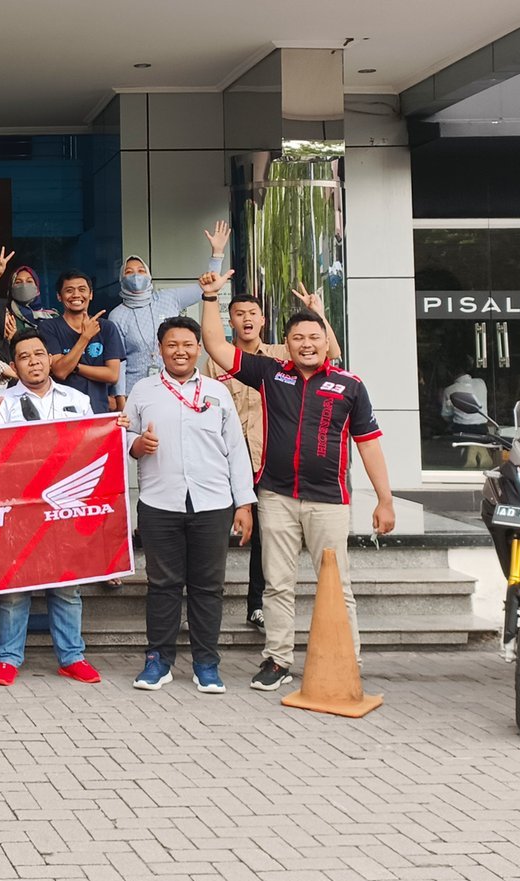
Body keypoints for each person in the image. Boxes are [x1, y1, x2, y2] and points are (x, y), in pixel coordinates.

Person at [199, 270, 396, 691]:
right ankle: (277, 659)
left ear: (327, 341)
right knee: (277, 584)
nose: (307, 344)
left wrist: (385, 499)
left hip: (329, 501)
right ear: (286, 344)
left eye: (314, 337)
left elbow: (369, 445)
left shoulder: (349, 386)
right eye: (299, 338)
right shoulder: (271, 373)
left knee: (337, 586)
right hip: (276, 497)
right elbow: (215, 345)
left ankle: (346, 661)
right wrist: (211, 297)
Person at [124, 317, 255, 695]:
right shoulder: (143, 391)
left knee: (207, 587)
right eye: (171, 345)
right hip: (159, 502)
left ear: (199, 348)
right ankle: (158, 661)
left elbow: (236, 450)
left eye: (187, 345)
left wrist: (244, 503)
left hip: (212, 503)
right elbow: (124, 435)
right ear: (159, 350)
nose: (179, 351)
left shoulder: (217, 392)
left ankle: (206, 663)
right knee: (162, 585)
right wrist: (136, 445)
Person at [201, 286, 344, 631]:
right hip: (225, 460)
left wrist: (317, 313)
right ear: (231, 321)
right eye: (239, 314)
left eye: (253, 313)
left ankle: (256, 606)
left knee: (264, 540)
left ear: (263, 320)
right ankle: (205, 608)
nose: (247, 319)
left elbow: (332, 353)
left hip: (265, 460)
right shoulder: (218, 361)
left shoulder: (282, 355)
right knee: (213, 535)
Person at [0, 330, 102, 687]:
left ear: (50, 359)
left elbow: (94, 447)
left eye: (39, 354)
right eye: (24, 357)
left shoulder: (77, 399)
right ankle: (7, 658)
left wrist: (114, 430)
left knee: (67, 585)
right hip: (19, 508)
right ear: (14, 365)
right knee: (14, 587)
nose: (33, 361)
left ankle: (72, 657)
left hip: (65, 505)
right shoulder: (1, 403)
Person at [108, 223, 230, 404]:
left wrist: (217, 254)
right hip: (136, 391)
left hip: (174, 385)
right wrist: (121, 399)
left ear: (149, 275)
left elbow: (207, 286)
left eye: (141, 271)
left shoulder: (168, 298)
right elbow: (120, 361)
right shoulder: (117, 315)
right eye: (129, 272)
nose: (136, 276)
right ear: (121, 278)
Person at [39, 270, 126, 414]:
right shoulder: (48, 327)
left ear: (90, 294)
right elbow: (60, 371)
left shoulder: (106, 328)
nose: (76, 295)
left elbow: (112, 375)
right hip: (62, 412)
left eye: (82, 289)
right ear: (59, 296)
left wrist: (75, 367)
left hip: (98, 411)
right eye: (69, 290)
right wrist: (85, 337)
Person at [442, 369, 492, 468]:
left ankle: (468, 454)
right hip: (482, 429)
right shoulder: (481, 382)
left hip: (462, 430)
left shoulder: (449, 390)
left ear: (450, 373)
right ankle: (479, 452)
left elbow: (445, 415)